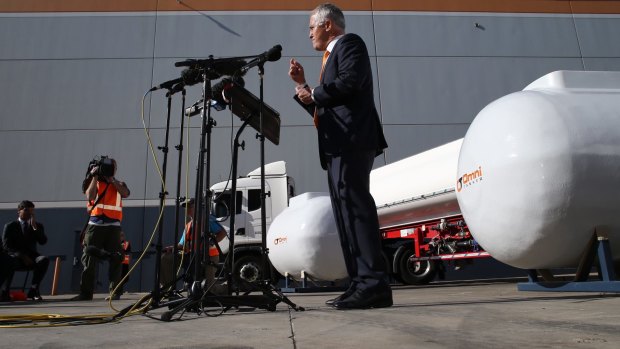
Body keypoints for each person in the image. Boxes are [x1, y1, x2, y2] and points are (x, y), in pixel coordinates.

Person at [288, 3, 391, 309]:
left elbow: (348, 83)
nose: (309, 34)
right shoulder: (329, 57)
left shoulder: (350, 44)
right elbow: (328, 104)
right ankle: (359, 283)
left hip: (352, 142)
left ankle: (373, 284)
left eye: (311, 27)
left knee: (356, 212)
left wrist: (315, 92)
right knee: (346, 216)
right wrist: (304, 88)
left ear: (328, 24)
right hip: (337, 147)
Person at [72, 157, 130, 301]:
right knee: (89, 258)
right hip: (95, 224)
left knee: (117, 257)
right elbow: (90, 195)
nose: (111, 169)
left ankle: (115, 292)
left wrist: (112, 180)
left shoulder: (118, 183)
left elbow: (125, 193)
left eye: (113, 167)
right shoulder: (93, 182)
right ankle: (86, 293)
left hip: (113, 226)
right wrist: (94, 176)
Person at [160, 198, 227, 294]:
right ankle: (168, 289)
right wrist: (171, 248)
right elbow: (181, 244)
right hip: (192, 258)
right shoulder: (188, 225)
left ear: (197, 207)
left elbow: (222, 233)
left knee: (209, 288)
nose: (187, 209)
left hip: (209, 258)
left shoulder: (207, 220)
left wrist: (209, 243)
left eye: (189, 207)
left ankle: (227, 288)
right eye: (186, 207)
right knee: (166, 258)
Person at [2, 200, 49, 301]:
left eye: (32, 212)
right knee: (9, 261)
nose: (30, 214)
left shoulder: (37, 226)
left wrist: (35, 228)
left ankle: (33, 290)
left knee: (43, 260)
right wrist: (22, 256)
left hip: (32, 258)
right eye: (27, 211)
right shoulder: (10, 226)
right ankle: (5, 292)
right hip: (16, 257)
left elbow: (43, 241)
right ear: (19, 211)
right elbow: (6, 246)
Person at [117, 230, 131, 296]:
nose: (121, 237)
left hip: (124, 263)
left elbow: (124, 250)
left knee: (124, 278)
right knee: (118, 278)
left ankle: (120, 290)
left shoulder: (126, 243)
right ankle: (118, 291)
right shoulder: (116, 243)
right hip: (118, 263)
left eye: (122, 236)